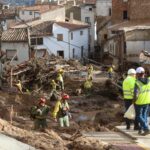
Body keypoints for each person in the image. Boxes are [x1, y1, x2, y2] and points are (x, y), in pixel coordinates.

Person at [134, 67, 150, 135]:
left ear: (137, 74)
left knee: (139, 116)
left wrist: (134, 101)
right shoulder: (149, 80)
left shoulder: (137, 83)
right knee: (144, 115)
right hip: (147, 101)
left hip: (139, 102)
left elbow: (136, 94)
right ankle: (142, 129)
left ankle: (146, 128)